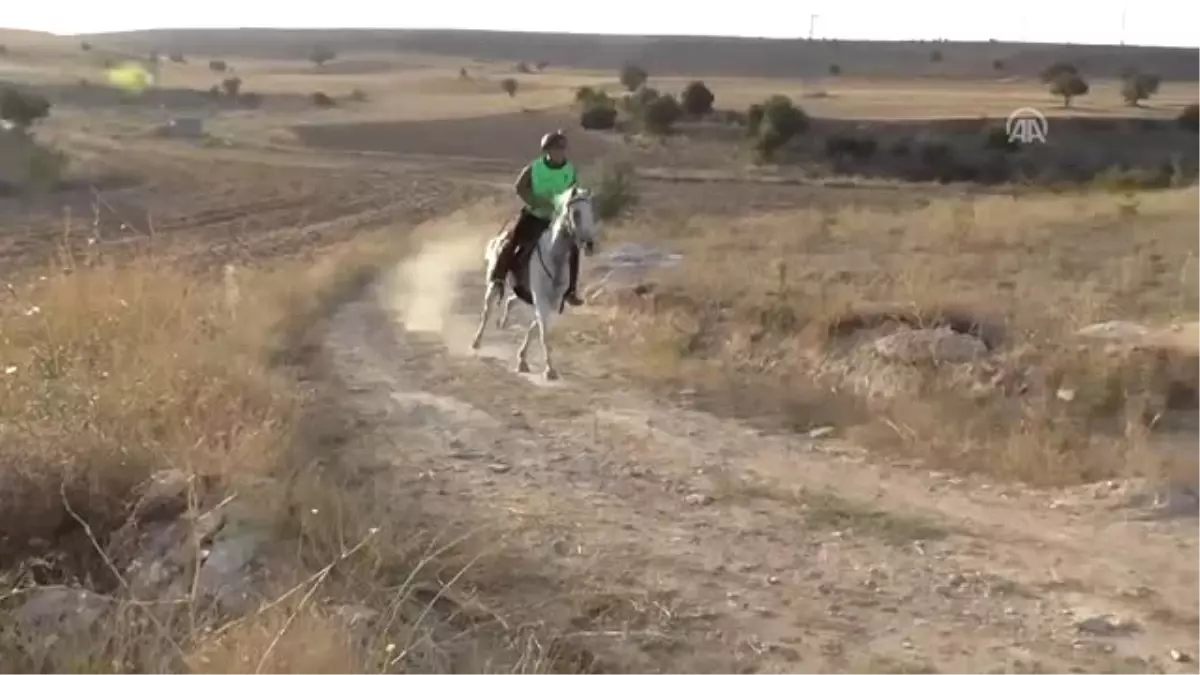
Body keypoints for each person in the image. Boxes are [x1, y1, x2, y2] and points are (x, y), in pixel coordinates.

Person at [491, 130, 584, 306]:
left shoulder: (570, 169)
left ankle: (570, 290)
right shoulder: (534, 168)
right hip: (535, 215)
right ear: (546, 151)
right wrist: (535, 201)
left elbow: (574, 190)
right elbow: (519, 187)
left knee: (574, 249)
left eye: (562, 149)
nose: (559, 153)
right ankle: (498, 278)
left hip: (558, 219)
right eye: (555, 149)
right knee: (513, 241)